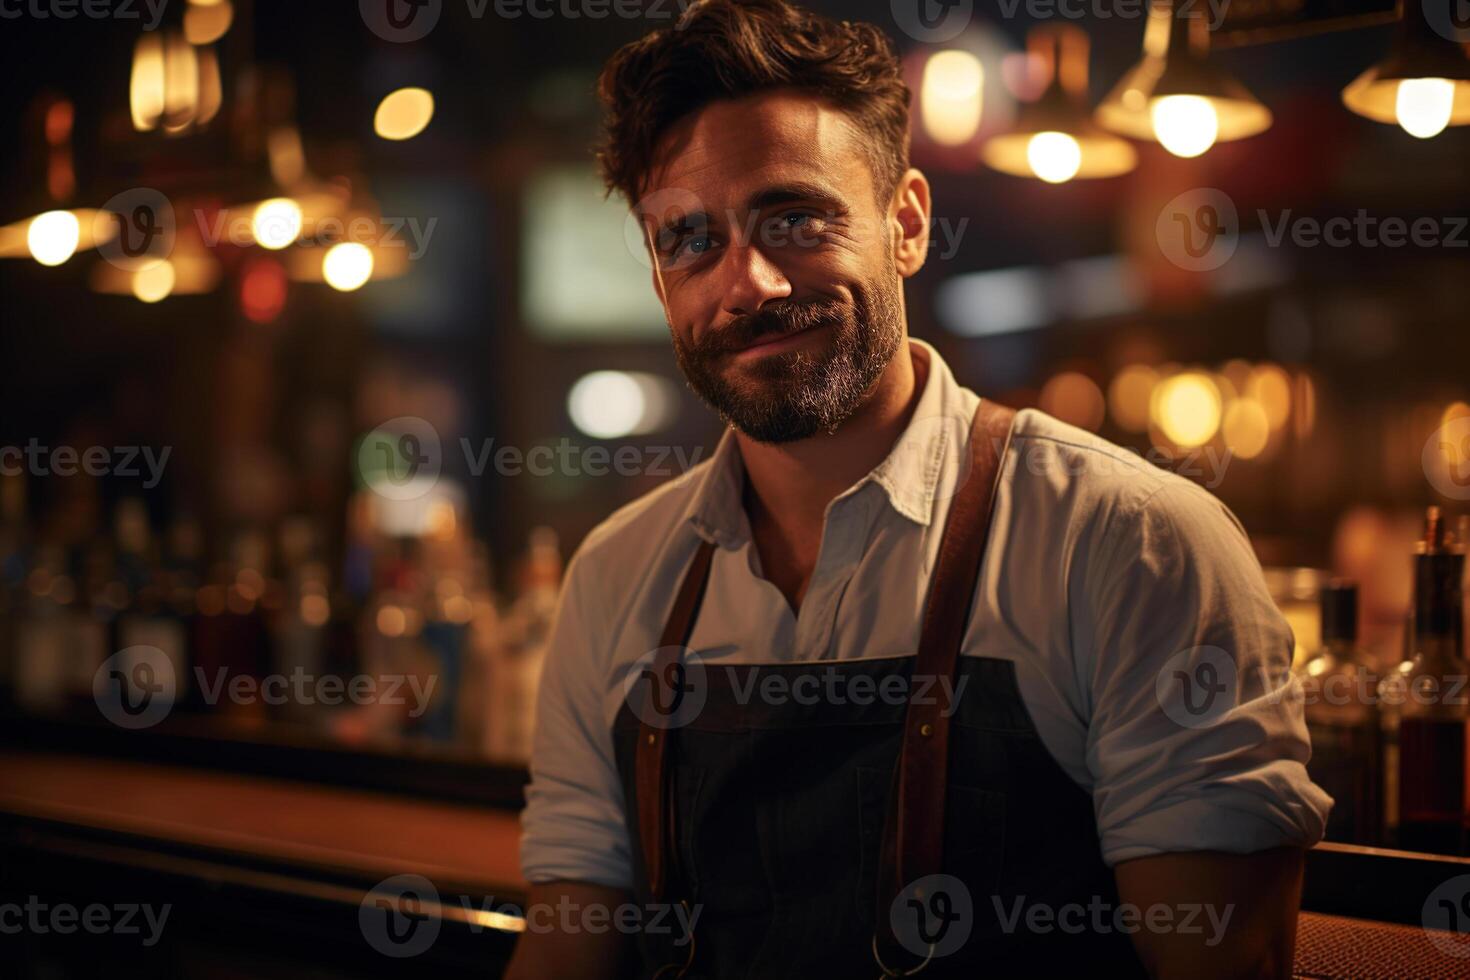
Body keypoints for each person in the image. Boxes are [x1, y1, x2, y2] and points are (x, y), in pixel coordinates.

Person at [507, 2, 1329, 977]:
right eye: (692, 239)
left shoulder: (1132, 540)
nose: (750, 283)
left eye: (795, 217)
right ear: (658, 275)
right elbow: (569, 952)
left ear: (906, 223)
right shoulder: (617, 577)